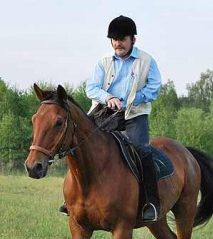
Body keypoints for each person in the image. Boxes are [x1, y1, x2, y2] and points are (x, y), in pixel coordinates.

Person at [60, 15, 162, 222]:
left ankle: (150, 202)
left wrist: (133, 99)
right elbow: (91, 88)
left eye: (122, 38)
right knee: (78, 144)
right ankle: (72, 199)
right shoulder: (104, 62)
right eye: (114, 39)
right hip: (104, 112)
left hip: (134, 114)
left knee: (142, 151)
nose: (117, 43)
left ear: (133, 39)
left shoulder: (147, 61)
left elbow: (154, 87)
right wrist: (109, 98)